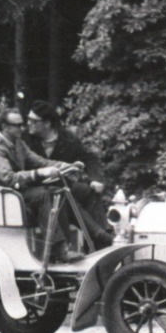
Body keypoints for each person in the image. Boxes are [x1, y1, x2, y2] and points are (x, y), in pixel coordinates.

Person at [0, 108, 83, 260]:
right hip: (4, 197)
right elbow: (9, 178)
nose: (23, 128)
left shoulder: (17, 143)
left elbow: (40, 161)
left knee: (57, 191)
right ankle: (61, 251)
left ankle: (63, 248)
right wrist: (39, 173)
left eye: (22, 124)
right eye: (18, 125)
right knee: (43, 195)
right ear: (4, 127)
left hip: (16, 194)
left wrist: (67, 165)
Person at [26, 101, 113, 249]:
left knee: (87, 191)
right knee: (62, 195)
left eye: (33, 121)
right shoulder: (25, 140)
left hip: (61, 188)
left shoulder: (68, 139)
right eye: (28, 119)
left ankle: (101, 242)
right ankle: (95, 236)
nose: (28, 124)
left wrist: (96, 179)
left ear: (47, 123)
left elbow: (89, 158)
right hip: (38, 194)